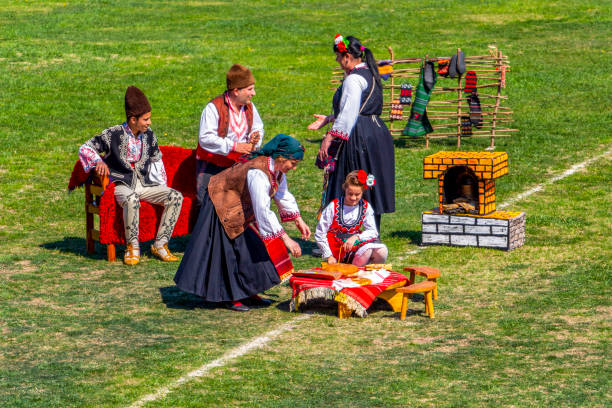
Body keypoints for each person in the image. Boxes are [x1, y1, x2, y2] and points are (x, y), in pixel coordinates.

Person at [174, 134, 311, 312]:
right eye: (293, 163)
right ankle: (229, 296)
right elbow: (262, 209)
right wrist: (286, 238)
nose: (294, 167)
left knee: (250, 250)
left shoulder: (276, 171)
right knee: (227, 253)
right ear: (281, 158)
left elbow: (282, 194)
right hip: (221, 203)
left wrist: (298, 219)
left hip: (238, 207)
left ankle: (247, 292)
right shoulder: (258, 172)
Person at [78, 86, 183, 265]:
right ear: (133, 119)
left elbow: (157, 160)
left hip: (144, 185)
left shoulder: (149, 135)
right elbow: (85, 148)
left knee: (175, 196)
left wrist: (161, 186)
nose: (149, 123)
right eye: (146, 119)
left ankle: (160, 244)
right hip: (121, 186)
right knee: (132, 199)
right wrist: (99, 161)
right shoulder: (113, 134)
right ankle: (132, 247)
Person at [308, 34, 395, 231]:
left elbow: (349, 113)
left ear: (347, 55)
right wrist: (329, 118)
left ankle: (344, 231)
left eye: (339, 57)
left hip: (358, 138)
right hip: (375, 134)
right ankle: (371, 231)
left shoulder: (353, 79)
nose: (338, 62)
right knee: (369, 181)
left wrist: (329, 138)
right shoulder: (371, 74)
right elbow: (357, 109)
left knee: (351, 178)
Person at [195, 64, 265, 204]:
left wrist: (255, 136)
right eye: (250, 89)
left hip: (238, 165)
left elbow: (258, 127)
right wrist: (234, 146)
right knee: (207, 205)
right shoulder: (213, 108)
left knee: (241, 205)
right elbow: (205, 138)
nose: (254, 93)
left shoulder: (249, 107)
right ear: (236, 91)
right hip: (213, 164)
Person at [315, 170, 388, 266]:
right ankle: (354, 274)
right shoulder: (334, 206)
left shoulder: (365, 207)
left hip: (354, 241)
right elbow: (320, 233)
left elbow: (373, 231)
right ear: (345, 189)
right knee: (367, 250)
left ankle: (373, 276)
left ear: (362, 192)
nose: (353, 198)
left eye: (357, 194)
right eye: (350, 194)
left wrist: (356, 237)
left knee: (381, 251)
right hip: (337, 246)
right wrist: (329, 255)